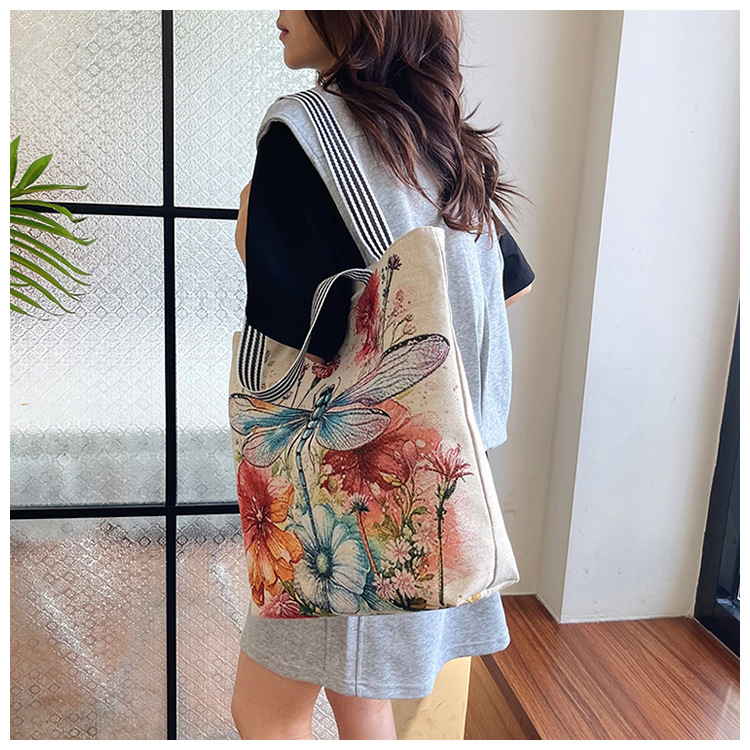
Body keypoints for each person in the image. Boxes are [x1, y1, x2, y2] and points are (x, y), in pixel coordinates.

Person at [230, 10, 535, 741]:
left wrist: (248, 232)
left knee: (266, 715)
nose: (277, 13)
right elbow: (509, 287)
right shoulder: (442, 139)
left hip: (346, 495)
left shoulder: (306, 130)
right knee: (362, 706)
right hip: (434, 485)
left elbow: (302, 328)